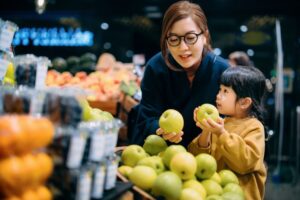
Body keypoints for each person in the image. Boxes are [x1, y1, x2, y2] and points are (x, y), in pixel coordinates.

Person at [128, 1, 229, 147]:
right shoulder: (155, 68)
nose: (183, 48)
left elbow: (234, 123)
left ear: (204, 36)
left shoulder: (222, 70)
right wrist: (159, 129)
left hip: (210, 158)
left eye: (190, 37)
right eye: (174, 39)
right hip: (162, 156)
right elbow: (146, 119)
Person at [188, 65, 267, 200]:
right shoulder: (221, 123)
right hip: (215, 194)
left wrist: (221, 133)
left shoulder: (254, 127)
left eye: (225, 91)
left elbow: (245, 163)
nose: (218, 96)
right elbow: (197, 159)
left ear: (244, 102)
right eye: (219, 90)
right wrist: (206, 131)